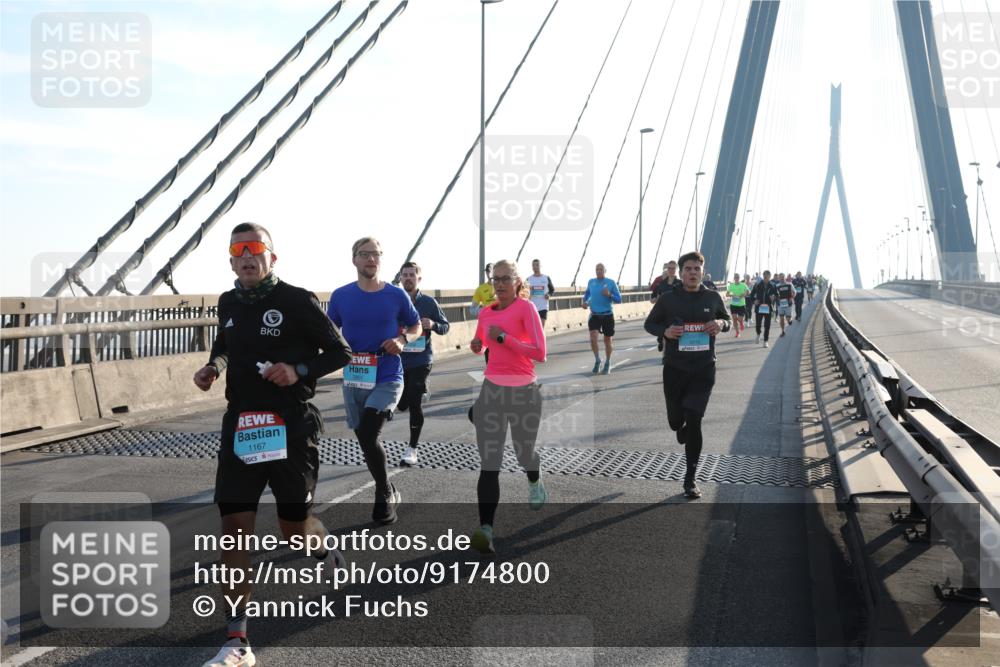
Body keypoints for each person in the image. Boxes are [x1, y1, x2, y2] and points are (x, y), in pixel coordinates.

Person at [195, 222, 352, 667]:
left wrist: (298, 369)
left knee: (294, 530)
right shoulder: (228, 302)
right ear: (231, 261)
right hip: (242, 427)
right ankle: (237, 642)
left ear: (271, 258)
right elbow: (224, 345)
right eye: (239, 251)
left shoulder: (296, 300)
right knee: (234, 528)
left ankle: (322, 548)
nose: (247, 257)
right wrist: (212, 367)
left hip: (291, 428)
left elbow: (339, 352)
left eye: (255, 249)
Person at [327, 237, 421, 525]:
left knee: (369, 431)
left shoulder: (395, 295)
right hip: (355, 375)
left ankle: (382, 495)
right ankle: (388, 487)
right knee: (366, 440)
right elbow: (329, 331)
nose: (371, 259)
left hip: (388, 373)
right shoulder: (341, 296)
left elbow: (416, 325)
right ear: (354, 259)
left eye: (376, 254)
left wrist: (403, 339)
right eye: (365, 254)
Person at [468, 259, 547, 554]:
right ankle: (486, 528)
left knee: (523, 453)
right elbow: (483, 343)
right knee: (490, 464)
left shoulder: (526, 309)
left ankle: (534, 477)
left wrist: (504, 338)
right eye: (495, 279)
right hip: (492, 390)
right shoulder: (487, 312)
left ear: (517, 282)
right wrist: (479, 345)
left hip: (524, 392)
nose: (499, 284)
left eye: (505, 279)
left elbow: (540, 353)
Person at [643, 251, 731, 499]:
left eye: (697, 269)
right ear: (680, 273)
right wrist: (665, 331)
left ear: (702, 272)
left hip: (704, 368)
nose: (693, 273)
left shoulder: (713, 297)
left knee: (694, 419)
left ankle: (690, 479)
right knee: (676, 422)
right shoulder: (668, 300)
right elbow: (650, 324)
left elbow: (726, 320)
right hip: (674, 368)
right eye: (688, 269)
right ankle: (680, 427)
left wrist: (721, 325)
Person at [396, 261, 450, 466]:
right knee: (402, 404)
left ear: (419, 278)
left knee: (414, 401)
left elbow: (446, 327)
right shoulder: (394, 301)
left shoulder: (429, 303)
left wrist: (434, 324)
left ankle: (412, 449)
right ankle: (419, 389)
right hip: (399, 359)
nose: (408, 278)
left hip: (421, 359)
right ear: (400, 278)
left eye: (412, 274)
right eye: (404, 275)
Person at [581, 263, 622, 375]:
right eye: (597, 269)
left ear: (605, 270)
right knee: (593, 337)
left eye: (601, 269)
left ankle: (608, 362)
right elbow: (587, 295)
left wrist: (609, 295)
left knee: (607, 340)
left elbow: (619, 299)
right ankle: (598, 360)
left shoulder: (611, 282)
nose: (599, 271)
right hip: (594, 314)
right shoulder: (591, 282)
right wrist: (585, 302)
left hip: (607, 315)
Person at [650, 261, 681, 355]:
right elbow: (653, 298)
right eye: (669, 268)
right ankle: (665, 355)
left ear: (676, 270)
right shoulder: (661, 284)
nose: (671, 270)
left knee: (675, 335)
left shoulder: (680, 284)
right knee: (664, 334)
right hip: (663, 313)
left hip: (676, 313)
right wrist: (655, 299)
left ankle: (670, 352)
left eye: (673, 268)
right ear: (667, 269)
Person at [750, 270, 777, 347]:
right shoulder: (757, 284)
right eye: (764, 276)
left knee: (767, 325)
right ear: (763, 276)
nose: (766, 278)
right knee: (758, 324)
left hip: (768, 307)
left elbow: (777, 295)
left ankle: (765, 340)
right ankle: (758, 333)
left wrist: (774, 297)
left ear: (769, 277)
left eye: (767, 277)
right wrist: (754, 301)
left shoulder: (773, 285)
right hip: (759, 307)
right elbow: (751, 295)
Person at [526, 259, 556, 324]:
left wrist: (549, 295)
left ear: (540, 266)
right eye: (533, 265)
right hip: (532, 307)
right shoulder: (528, 279)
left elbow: (552, 290)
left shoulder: (546, 277)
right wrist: (528, 293)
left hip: (543, 306)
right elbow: (524, 292)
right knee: (534, 329)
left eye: (537, 265)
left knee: (541, 328)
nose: (535, 267)